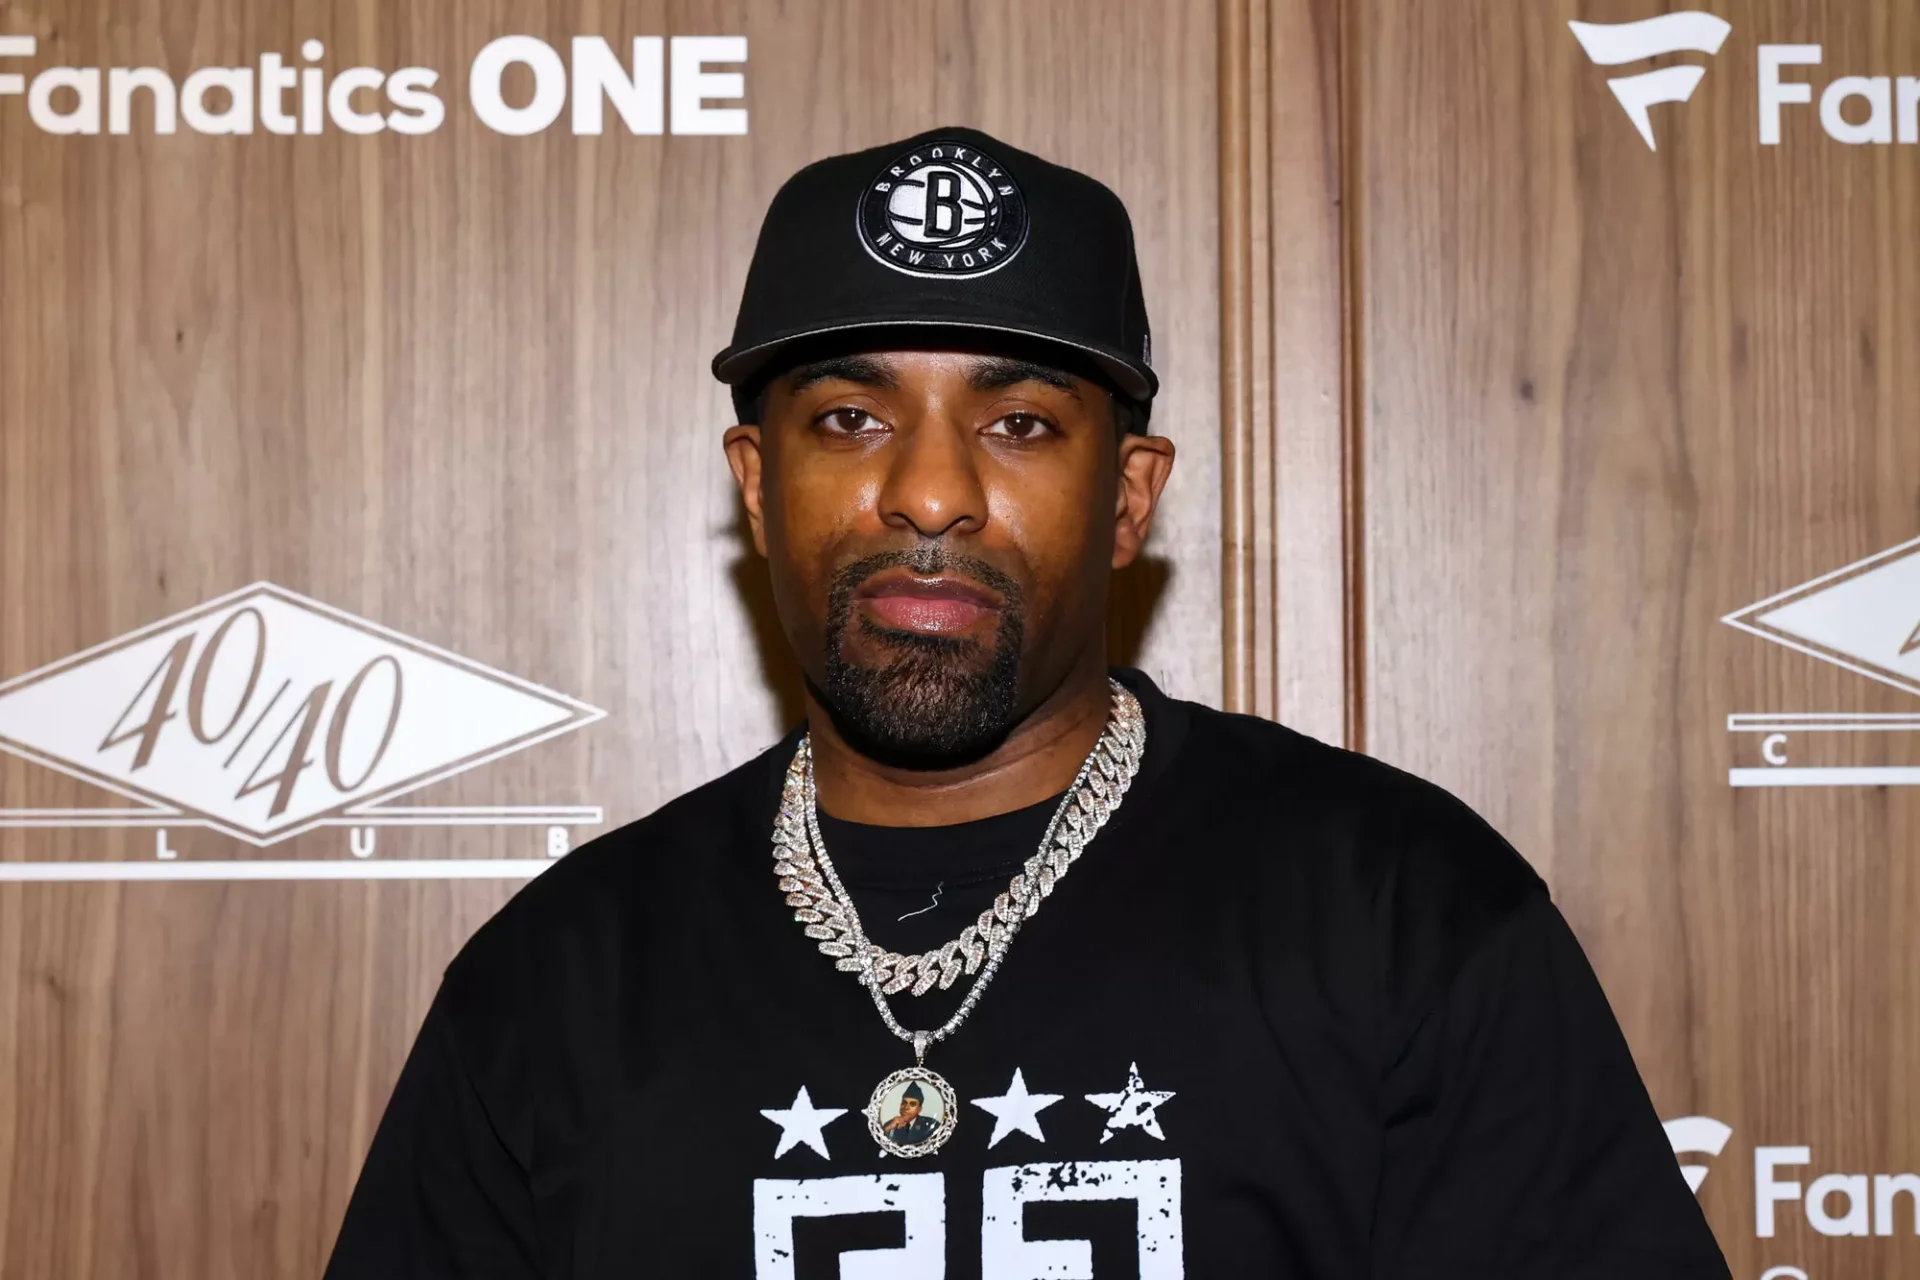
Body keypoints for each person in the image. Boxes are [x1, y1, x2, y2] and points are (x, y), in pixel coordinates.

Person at [324, 126, 1731, 1278]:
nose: (931, 493)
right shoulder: (558, 981)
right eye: (851, 419)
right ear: (757, 482)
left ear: (1127, 497)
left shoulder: (1403, 913)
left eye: (1019, 425)